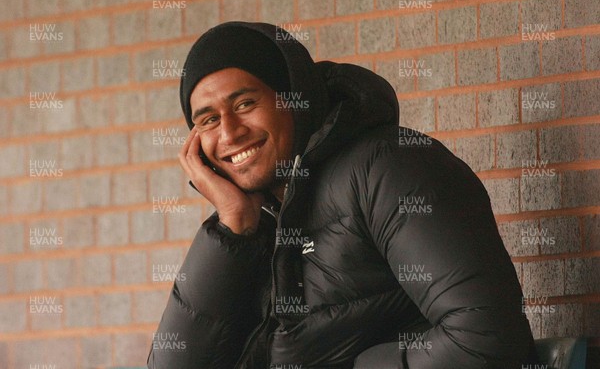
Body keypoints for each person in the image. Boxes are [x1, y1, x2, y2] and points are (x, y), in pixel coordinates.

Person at [147, 21, 538, 369]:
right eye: (209, 120)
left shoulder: (390, 168)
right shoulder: (255, 219)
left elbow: (487, 339)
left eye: (246, 103)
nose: (229, 133)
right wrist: (231, 229)